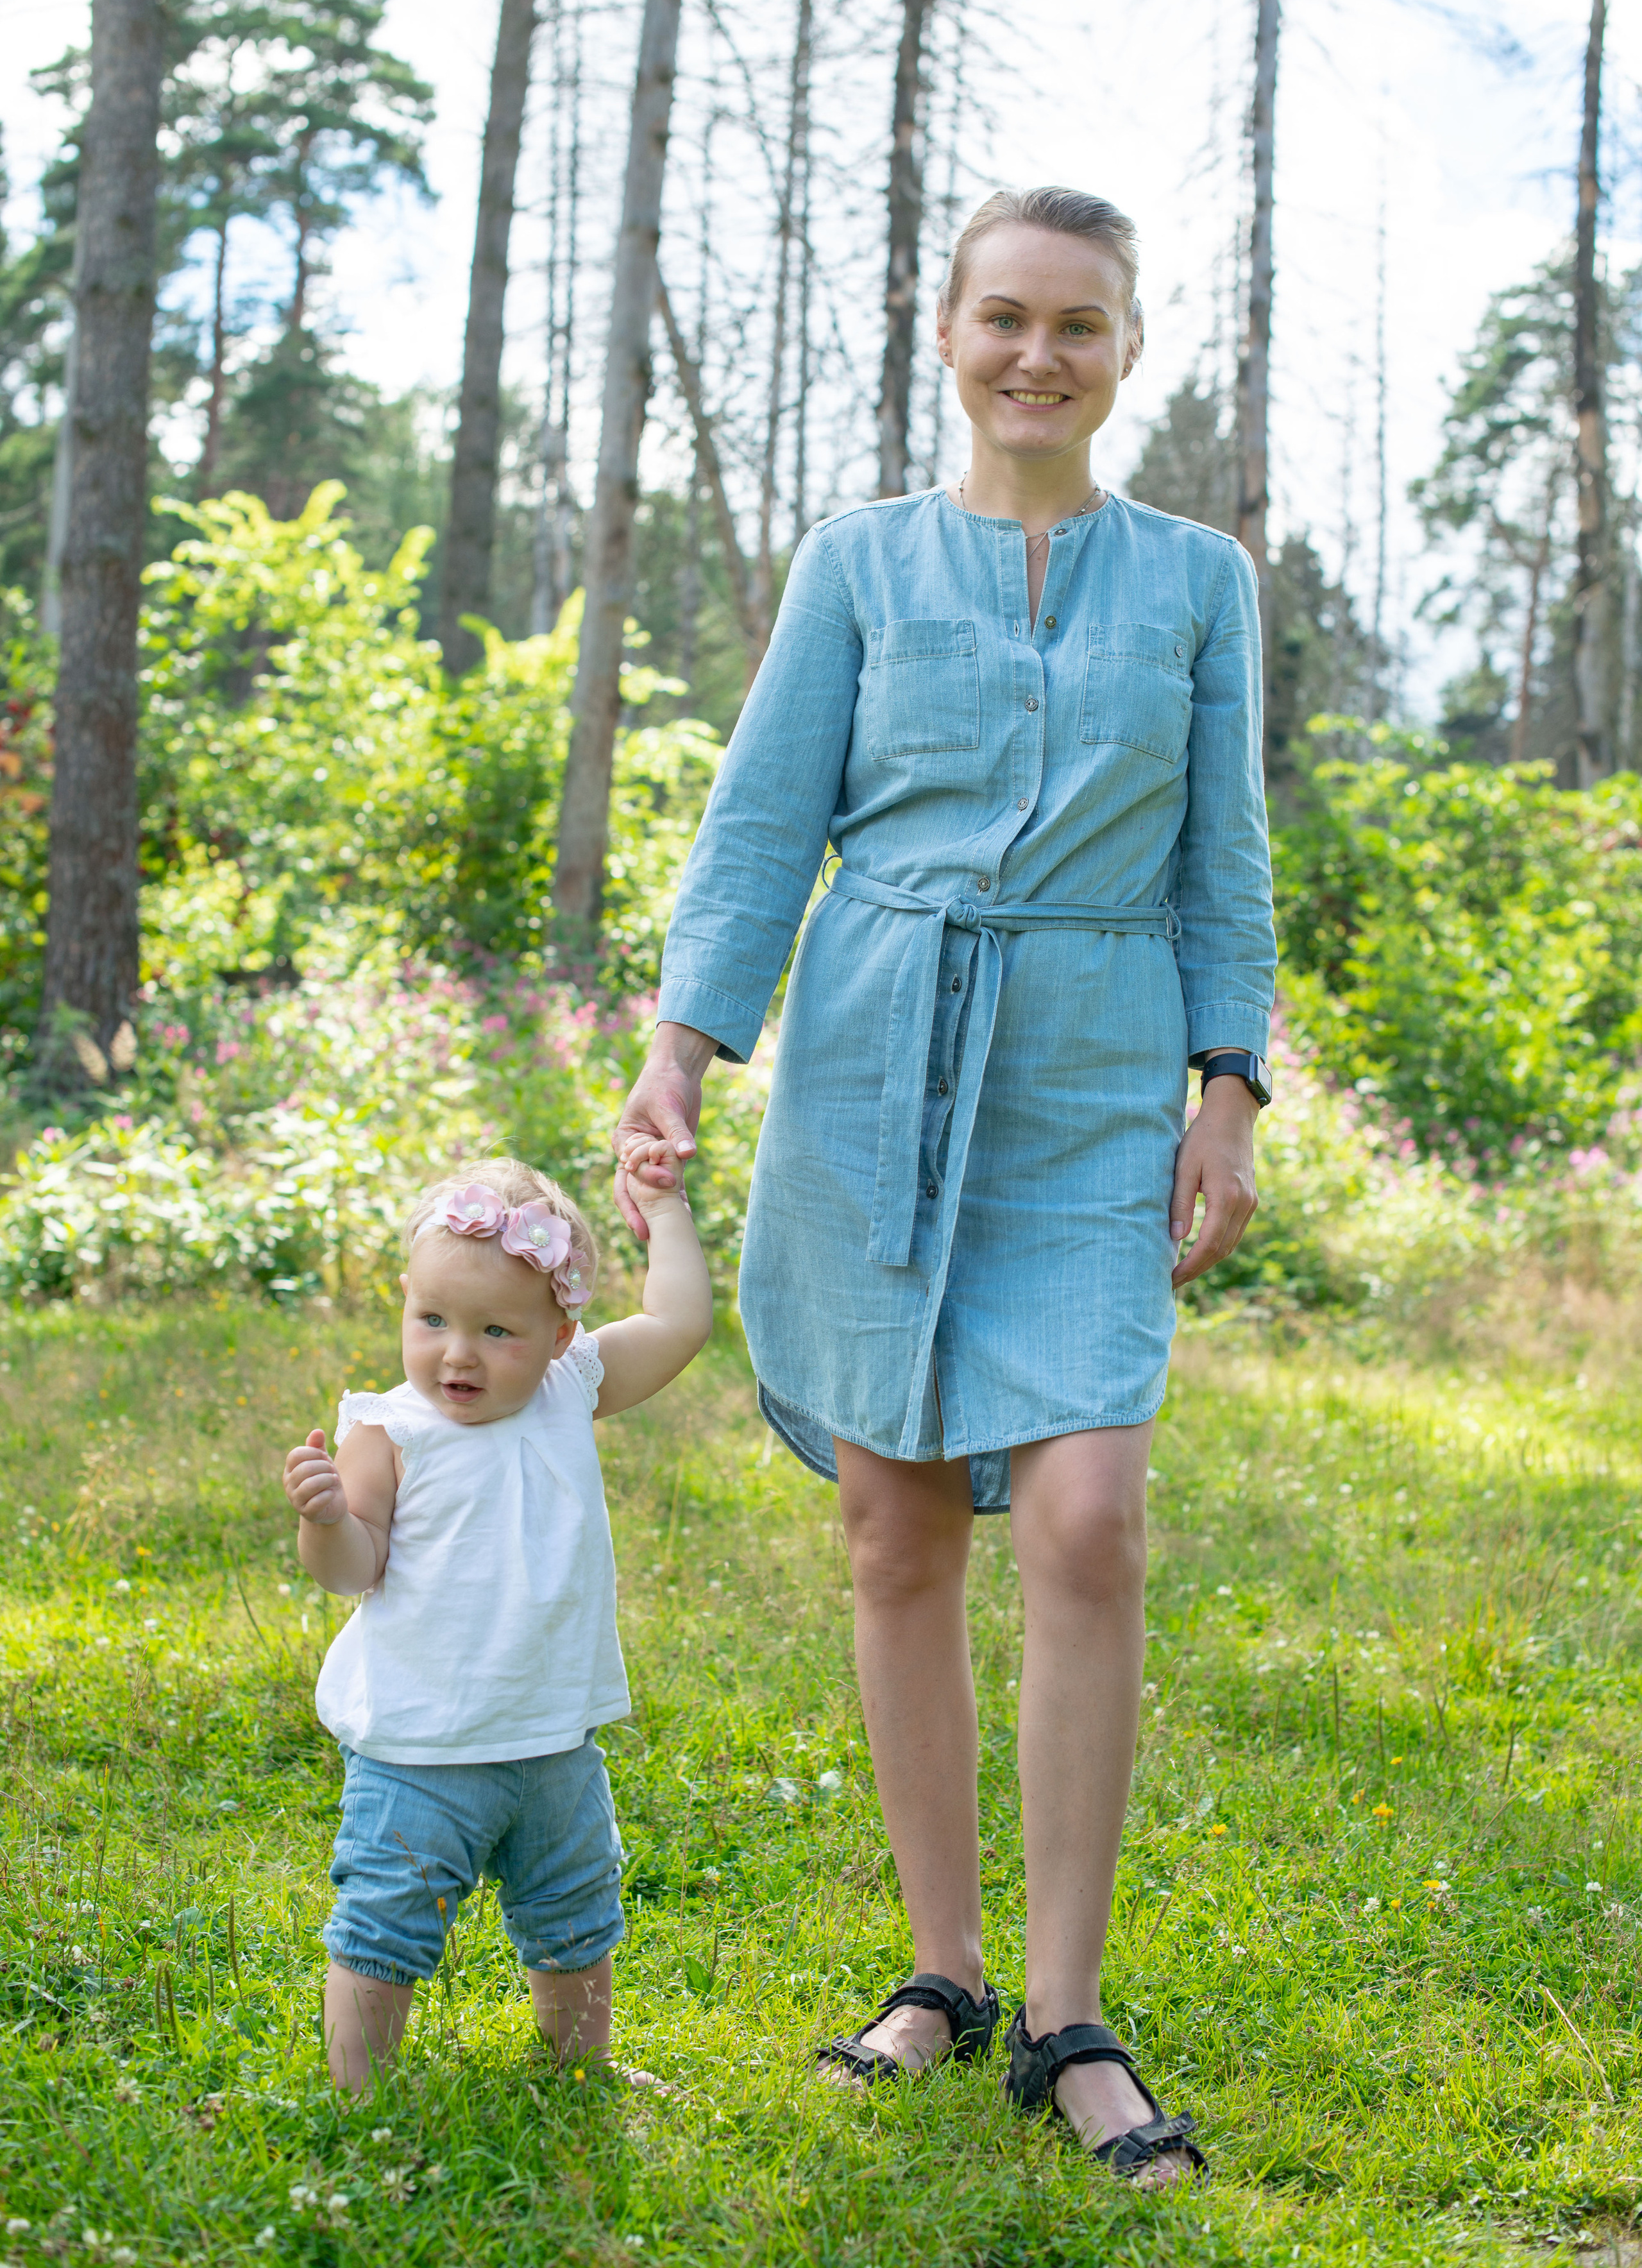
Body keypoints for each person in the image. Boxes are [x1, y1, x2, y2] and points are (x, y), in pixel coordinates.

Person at [613, 186, 1275, 2183]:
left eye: (1079, 324)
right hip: (873, 1060)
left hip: (1087, 1080)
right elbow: (761, 826)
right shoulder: (862, 561)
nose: (1037, 356)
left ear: (1127, 348)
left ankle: (1071, 2011)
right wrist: (679, 1055)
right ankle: (945, 1969)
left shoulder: (1197, 582)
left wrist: (1226, 1085)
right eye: (1005, 317)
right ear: (947, 328)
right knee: (897, 1535)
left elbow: (1220, 857)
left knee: (1087, 1516)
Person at [282, 1147, 711, 2091]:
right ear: (404, 1301)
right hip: (419, 1748)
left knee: (576, 1915)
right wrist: (326, 1520)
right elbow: (355, 1567)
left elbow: (680, 1323)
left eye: (495, 1330)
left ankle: (580, 2069)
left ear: (561, 1336)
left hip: (554, 1739)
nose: (456, 1352)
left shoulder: (572, 1391)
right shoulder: (387, 1429)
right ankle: (361, 2096)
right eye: (430, 1319)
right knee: (386, 1922)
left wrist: (664, 1210)